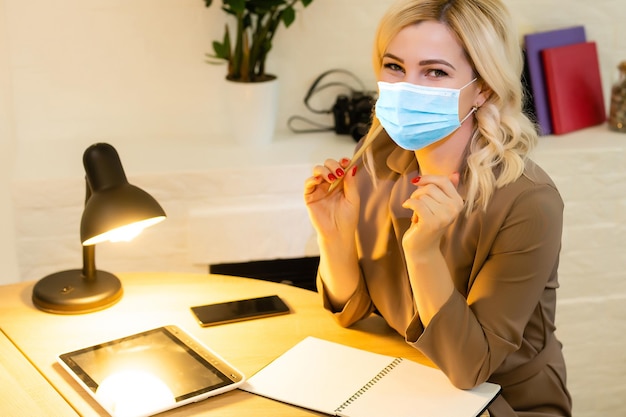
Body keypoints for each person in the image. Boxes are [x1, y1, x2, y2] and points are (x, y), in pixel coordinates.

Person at [303, 0, 572, 415]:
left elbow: (470, 368)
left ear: (483, 88)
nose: (409, 87)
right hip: (405, 382)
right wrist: (333, 237)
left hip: (503, 403)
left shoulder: (529, 202)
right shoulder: (373, 157)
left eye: (435, 71)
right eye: (395, 67)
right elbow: (350, 314)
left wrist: (423, 252)